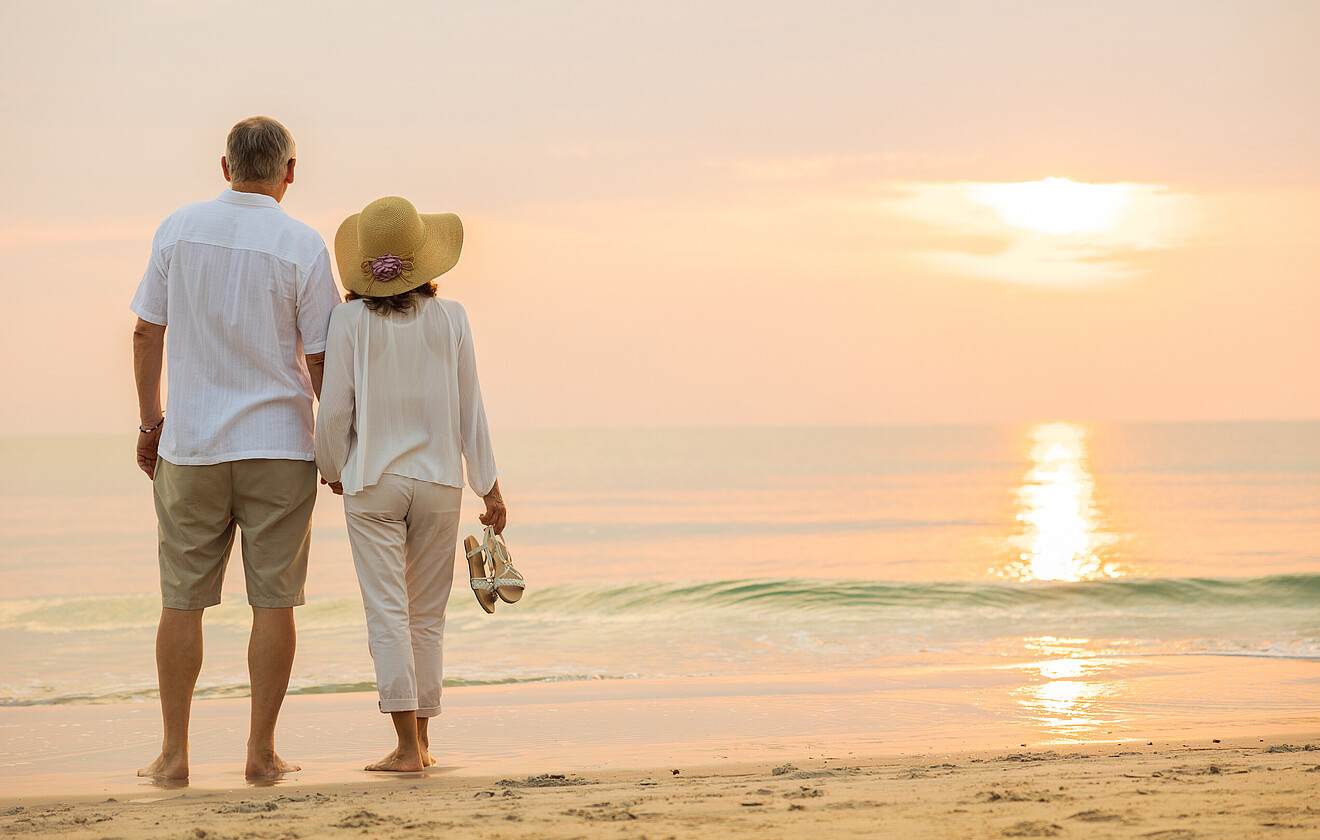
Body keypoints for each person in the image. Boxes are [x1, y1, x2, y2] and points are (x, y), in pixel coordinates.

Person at [130, 116, 340, 779]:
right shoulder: (302, 244)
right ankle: (260, 753)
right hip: (279, 444)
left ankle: (172, 755)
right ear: (290, 172)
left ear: (225, 167)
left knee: (182, 600)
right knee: (273, 600)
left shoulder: (178, 228)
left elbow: (145, 333)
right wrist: (335, 443)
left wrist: (150, 422)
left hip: (190, 443)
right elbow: (321, 359)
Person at [315, 196, 510, 772]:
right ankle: (421, 744)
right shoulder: (453, 319)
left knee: (387, 612)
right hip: (440, 483)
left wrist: (331, 468)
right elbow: (470, 407)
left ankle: (405, 747)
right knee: (428, 616)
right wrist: (489, 486)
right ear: (425, 263)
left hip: (372, 481)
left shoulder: (349, 321)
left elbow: (334, 411)